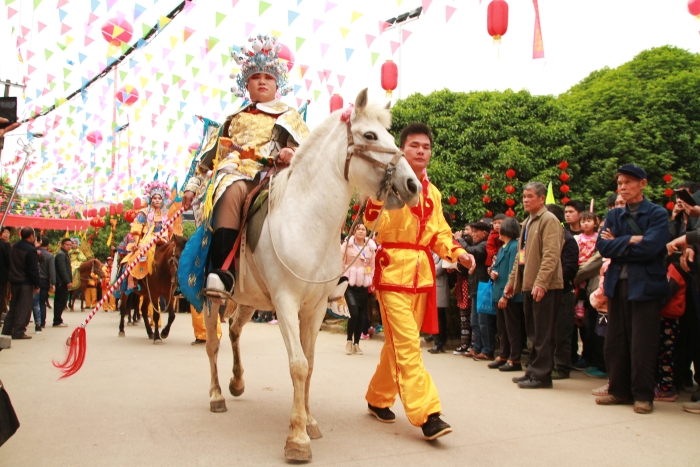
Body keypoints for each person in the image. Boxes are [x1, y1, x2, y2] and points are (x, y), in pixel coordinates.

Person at [363, 122, 473, 441]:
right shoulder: (386, 183)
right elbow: (370, 220)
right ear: (402, 149)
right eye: (414, 145)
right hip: (392, 270)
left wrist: (458, 252)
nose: (421, 151)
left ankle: (377, 397)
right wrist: (377, 195)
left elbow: (439, 232)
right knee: (409, 345)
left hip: (421, 275)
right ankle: (428, 414)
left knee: (396, 345)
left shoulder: (433, 192)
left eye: (426, 146)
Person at [181, 33, 309, 304]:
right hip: (235, 175)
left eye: (268, 76)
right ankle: (224, 273)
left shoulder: (289, 116)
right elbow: (207, 158)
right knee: (231, 186)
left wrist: (292, 152)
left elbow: (308, 151)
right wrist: (192, 187)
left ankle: (327, 275)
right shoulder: (233, 119)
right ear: (246, 85)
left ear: (278, 85)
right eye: (255, 76)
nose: (262, 80)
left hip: (275, 176)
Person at [596, 164, 670, 414]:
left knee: (643, 342)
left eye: (628, 181)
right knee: (615, 341)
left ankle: (643, 395)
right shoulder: (615, 215)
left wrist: (618, 244)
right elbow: (602, 248)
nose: (622, 186)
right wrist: (630, 240)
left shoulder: (657, 213)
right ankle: (619, 390)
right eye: (620, 182)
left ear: (643, 184)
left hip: (646, 286)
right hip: (618, 284)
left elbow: (651, 247)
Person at [505, 182, 564, 389]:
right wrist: (512, 282)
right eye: (524, 196)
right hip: (529, 284)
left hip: (545, 286)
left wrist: (541, 282)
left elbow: (551, 254)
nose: (526, 200)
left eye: (530, 196)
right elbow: (520, 257)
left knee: (543, 332)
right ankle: (532, 370)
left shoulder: (549, 220)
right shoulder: (527, 223)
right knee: (533, 331)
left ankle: (542, 375)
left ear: (541, 199)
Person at [546, 204, 579, 380]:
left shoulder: (567, 240)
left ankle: (562, 366)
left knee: (561, 332)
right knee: (547, 331)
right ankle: (547, 363)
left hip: (562, 292)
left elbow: (570, 269)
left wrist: (550, 280)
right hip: (545, 291)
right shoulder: (547, 238)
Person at [488, 217, 523, 371]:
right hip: (499, 290)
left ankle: (514, 359)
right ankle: (504, 354)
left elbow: (513, 272)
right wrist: (493, 272)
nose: (497, 229)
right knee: (502, 327)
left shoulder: (515, 247)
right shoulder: (503, 247)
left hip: (509, 295)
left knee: (512, 328)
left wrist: (506, 295)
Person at [461, 221, 494, 360]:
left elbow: (471, 252)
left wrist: (460, 240)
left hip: (483, 287)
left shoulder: (484, 245)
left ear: (484, 233)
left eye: (475, 232)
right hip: (475, 287)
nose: (472, 235)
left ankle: (487, 350)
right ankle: (477, 348)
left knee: (484, 321)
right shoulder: (478, 244)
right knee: (475, 321)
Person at [341, 223, 376, 355]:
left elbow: (372, 267)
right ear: (353, 231)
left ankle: (357, 343)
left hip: (363, 284)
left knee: (361, 314)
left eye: (363, 229)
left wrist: (369, 277)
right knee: (353, 312)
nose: (361, 231)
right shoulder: (346, 246)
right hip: (349, 284)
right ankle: (349, 340)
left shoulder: (370, 248)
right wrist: (343, 276)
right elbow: (341, 262)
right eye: (358, 229)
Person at [1, 227, 41, 340]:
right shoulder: (31, 250)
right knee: (24, 307)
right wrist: (37, 284)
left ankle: (7, 330)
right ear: (31, 236)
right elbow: (33, 269)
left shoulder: (14, 246)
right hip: (25, 282)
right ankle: (19, 331)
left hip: (14, 281)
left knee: (13, 306)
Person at [453, 225, 473, 355]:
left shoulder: (471, 246)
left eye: (468, 230)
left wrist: (459, 240)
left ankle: (471, 345)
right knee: (464, 317)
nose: (465, 233)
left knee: (470, 317)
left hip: (468, 284)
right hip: (461, 284)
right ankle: (464, 344)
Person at [428, 251, 450, 354]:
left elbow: (437, 270)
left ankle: (440, 342)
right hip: (432, 286)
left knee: (440, 316)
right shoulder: (434, 253)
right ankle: (436, 338)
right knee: (434, 315)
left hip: (440, 287)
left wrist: (429, 266)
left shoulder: (443, 253)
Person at [33, 236, 55, 331]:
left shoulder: (33, 253)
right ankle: (42, 322)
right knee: (42, 302)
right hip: (45, 280)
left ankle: (36, 321)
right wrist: (53, 283)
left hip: (34, 279)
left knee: (35, 302)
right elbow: (52, 271)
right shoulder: (50, 256)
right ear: (48, 244)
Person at [53, 238, 72, 327]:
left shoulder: (65, 254)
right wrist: (67, 281)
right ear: (62, 245)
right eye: (67, 245)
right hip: (61, 282)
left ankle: (58, 319)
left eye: (70, 245)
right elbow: (62, 270)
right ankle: (57, 320)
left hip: (63, 282)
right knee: (60, 301)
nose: (69, 246)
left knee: (63, 301)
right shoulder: (61, 255)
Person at [0, 227, 11, 323]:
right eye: (5, 232)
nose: (7, 234)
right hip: (3, 276)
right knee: (1, 295)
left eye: (8, 233)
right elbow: (9, 261)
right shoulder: (6, 245)